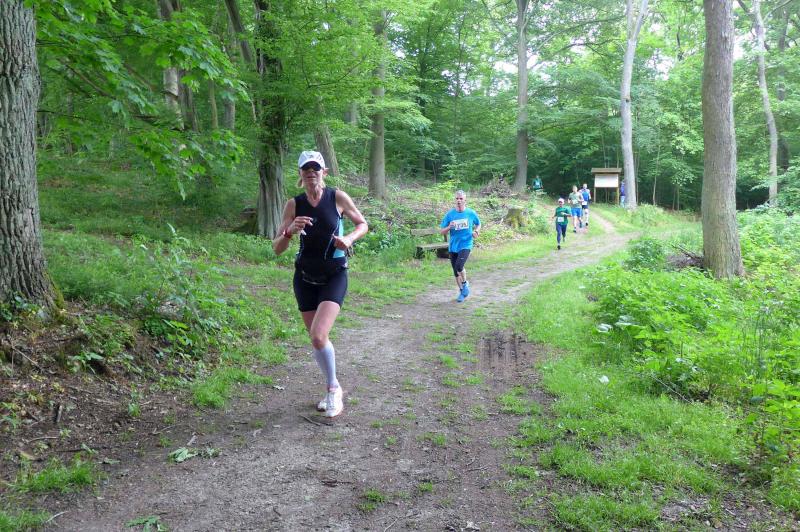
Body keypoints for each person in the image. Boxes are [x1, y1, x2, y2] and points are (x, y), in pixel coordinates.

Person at [273, 150, 368, 418]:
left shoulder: (337, 197)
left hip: (334, 274)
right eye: (306, 169)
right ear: (300, 174)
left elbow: (362, 224)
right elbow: (277, 248)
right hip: (304, 277)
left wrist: (348, 239)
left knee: (317, 335)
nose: (311, 173)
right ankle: (333, 386)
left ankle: (333, 389)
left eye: (316, 168)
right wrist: (289, 232)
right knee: (318, 340)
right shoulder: (293, 204)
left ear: (324, 172)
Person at [440, 190, 481, 303]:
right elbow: (442, 232)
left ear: (465, 200)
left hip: (466, 244)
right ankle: (462, 291)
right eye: (457, 198)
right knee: (455, 271)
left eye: (461, 199)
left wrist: (476, 231)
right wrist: (449, 227)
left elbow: (478, 223)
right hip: (453, 246)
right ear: (455, 200)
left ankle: (465, 283)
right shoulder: (450, 214)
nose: (458, 200)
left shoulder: (471, 213)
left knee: (459, 266)